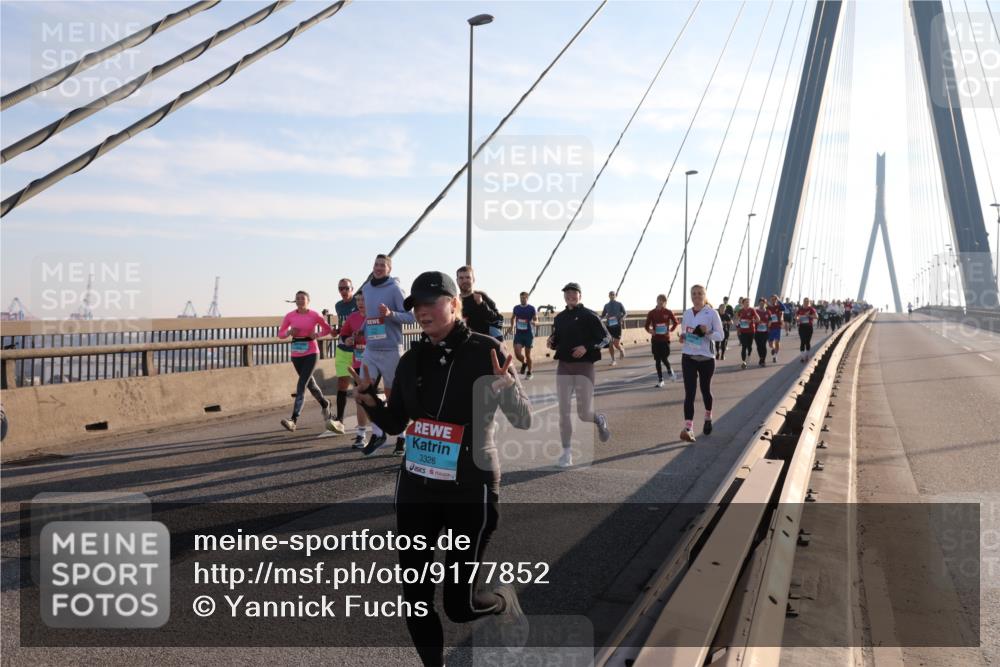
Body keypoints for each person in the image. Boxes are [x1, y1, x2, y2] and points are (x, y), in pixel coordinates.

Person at [352, 271, 532, 667]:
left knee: (459, 604)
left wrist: (506, 390)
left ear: (454, 304)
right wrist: (368, 401)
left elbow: (522, 420)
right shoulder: (412, 358)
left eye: (432, 302)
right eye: (416, 304)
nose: (422, 310)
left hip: (471, 486)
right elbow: (397, 423)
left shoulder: (487, 349)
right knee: (415, 598)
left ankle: (502, 600)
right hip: (418, 486)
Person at [548, 282, 611, 468]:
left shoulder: (589, 315)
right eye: (567, 293)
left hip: (584, 368)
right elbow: (557, 339)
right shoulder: (559, 318)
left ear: (580, 296)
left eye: (574, 293)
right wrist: (552, 342)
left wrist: (587, 347)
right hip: (564, 367)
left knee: (583, 413)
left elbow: (606, 339)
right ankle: (566, 453)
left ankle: (599, 419)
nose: (570, 296)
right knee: (563, 412)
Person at [361, 253, 416, 456]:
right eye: (376, 264)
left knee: (394, 398)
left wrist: (390, 314)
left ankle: (401, 437)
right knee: (365, 390)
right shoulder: (367, 288)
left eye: (383, 265)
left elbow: (410, 317)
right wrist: (360, 330)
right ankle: (377, 433)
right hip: (371, 348)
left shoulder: (395, 289)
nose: (379, 267)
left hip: (391, 349)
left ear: (389, 269)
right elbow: (369, 316)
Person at [277, 290, 334, 432]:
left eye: (303, 298)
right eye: (298, 298)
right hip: (296, 353)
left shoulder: (314, 315)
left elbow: (327, 329)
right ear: (295, 301)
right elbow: (280, 334)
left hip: (311, 352)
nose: (300, 301)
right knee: (310, 384)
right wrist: (289, 332)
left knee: (302, 384)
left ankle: (293, 419)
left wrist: (317, 334)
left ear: (308, 300)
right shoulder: (290, 316)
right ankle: (325, 403)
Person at [678, 284, 724, 442]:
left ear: (704, 296)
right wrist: (682, 337)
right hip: (688, 357)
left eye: (699, 294)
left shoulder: (712, 313)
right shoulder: (687, 314)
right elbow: (684, 332)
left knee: (705, 390)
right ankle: (688, 428)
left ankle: (708, 416)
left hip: (706, 358)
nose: (696, 296)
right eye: (693, 294)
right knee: (689, 393)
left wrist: (708, 332)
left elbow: (721, 336)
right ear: (691, 296)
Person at [336, 288, 371, 448]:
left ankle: (394, 434)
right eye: (357, 301)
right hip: (359, 361)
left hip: (377, 361)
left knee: (379, 397)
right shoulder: (353, 317)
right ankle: (361, 434)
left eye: (363, 300)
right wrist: (348, 339)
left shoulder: (376, 316)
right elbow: (343, 334)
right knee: (360, 397)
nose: (360, 304)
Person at [329, 278, 359, 435]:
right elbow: (343, 326)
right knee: (342, 384)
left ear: (352, 288)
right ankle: (340, 421)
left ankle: (374, 418)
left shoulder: (359, 300)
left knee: (362, 386)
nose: (343, 291)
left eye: (346, 288)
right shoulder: (338, 305)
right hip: (342, 348)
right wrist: (337, 331)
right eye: (340, 288)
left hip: (358, 349)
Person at [456, 265, 503, 341]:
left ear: (473, 280)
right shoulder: (454, 302)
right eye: (461, 278)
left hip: (482, 344)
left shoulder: (482, 297)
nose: (464, 281)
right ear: (457, 280)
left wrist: (481, 304)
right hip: (462, 345)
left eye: (468, 277)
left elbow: (497, 319)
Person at [645, 294, 678, 387]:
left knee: (664, 358)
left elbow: (676, 322)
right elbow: (646, 326)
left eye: (663, 301)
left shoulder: (668, 312)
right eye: (659, 300)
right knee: (657, 360)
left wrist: (670, 330)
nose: (661, 302)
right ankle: (660, 380)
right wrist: (650, 331)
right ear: (656, 301)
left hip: (665, 339)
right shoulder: (651, 313)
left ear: (665, 303)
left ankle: (669, 370)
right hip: (655, 339)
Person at [511, 292, 537, 379]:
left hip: (528, 334)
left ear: (527, 298)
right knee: (517, 353)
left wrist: (535, 322)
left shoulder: (531, 308)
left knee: (527, 355)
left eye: (524, 298)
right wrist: (512, 326)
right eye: (521, 298)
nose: (522, 299)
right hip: (519, 334)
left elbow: (536, 320)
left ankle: (529, 372)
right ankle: (524, 363)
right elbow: (512, 318)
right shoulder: (516, 308)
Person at [601, 291, 627, 366]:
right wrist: (598, 319)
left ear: (615, 296)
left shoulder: (619, 304)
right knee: (610, 343)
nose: (612, 296)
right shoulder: (606, 305)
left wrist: (622, 318)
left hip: (617, 326)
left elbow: (625, 313)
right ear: (608, 296)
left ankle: (621, 349)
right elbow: (603, 315)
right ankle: (613, 360)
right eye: (611, 295)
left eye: (613, 294)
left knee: (616, 344)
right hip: (609, 326)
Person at [735, 297, 759, 369]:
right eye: (746, 302)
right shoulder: (740, 311)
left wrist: (751, 321)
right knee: (744, 346)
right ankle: (744, 362)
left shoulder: (752, 310)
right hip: (743, 331)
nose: (747, 303)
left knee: (749, 346)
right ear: (743, 303)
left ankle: (749, 355)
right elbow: (737, 320)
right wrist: (738, 327)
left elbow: (758, 319)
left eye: (748, 302)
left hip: (751, 331)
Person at [796, 297, 818, 363]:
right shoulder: (800, 309)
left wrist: (809, 316)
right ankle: (802, 357)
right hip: (802, 327)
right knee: (802, 341)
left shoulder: (811, 309)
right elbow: (796, 316)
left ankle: (807, 355)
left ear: (809, 302)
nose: (806, 302)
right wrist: (797, 318)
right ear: (803, 302)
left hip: (809, 327)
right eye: (805, 301)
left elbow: (816, 317)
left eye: (807, 301)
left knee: (807, 342)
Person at [767, 295, 785, 363]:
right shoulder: (767, 308)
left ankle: (775, 356)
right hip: (770, 327)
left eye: (775, 299)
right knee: (770, 344)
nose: (773, 300)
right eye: (772, 299)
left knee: (777, 342)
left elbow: (784, 308)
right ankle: (773, 349)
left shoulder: (778, 307)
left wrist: (779, 300)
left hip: (777, 327)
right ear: (770, 300)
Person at [754, 297, 770, 367]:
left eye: (763, 303)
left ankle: (763, 359)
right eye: (760, 303)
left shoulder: (768, 312)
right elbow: (753, 320)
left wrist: (768, 324)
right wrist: (757, 321)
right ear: (759, 304)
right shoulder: (756, 311)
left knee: (763, 345)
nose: (762, 304)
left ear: (765, 304)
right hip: (757, 331)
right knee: (758, 346)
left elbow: (770, 320)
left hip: (765, 331)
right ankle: (761, 357)